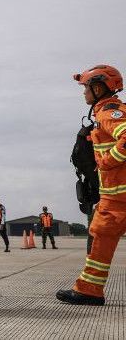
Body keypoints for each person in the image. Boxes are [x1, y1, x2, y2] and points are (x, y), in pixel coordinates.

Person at [58, 65, 126, 305]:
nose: (84, 92)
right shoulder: (103, 113)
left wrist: (107, 162)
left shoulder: (110, 112)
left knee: (100, 241)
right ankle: (89, 290)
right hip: (113, 199)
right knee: (100, 241)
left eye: (86, 87)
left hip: (119, 198)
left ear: (98, 88)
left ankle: (89, 290)